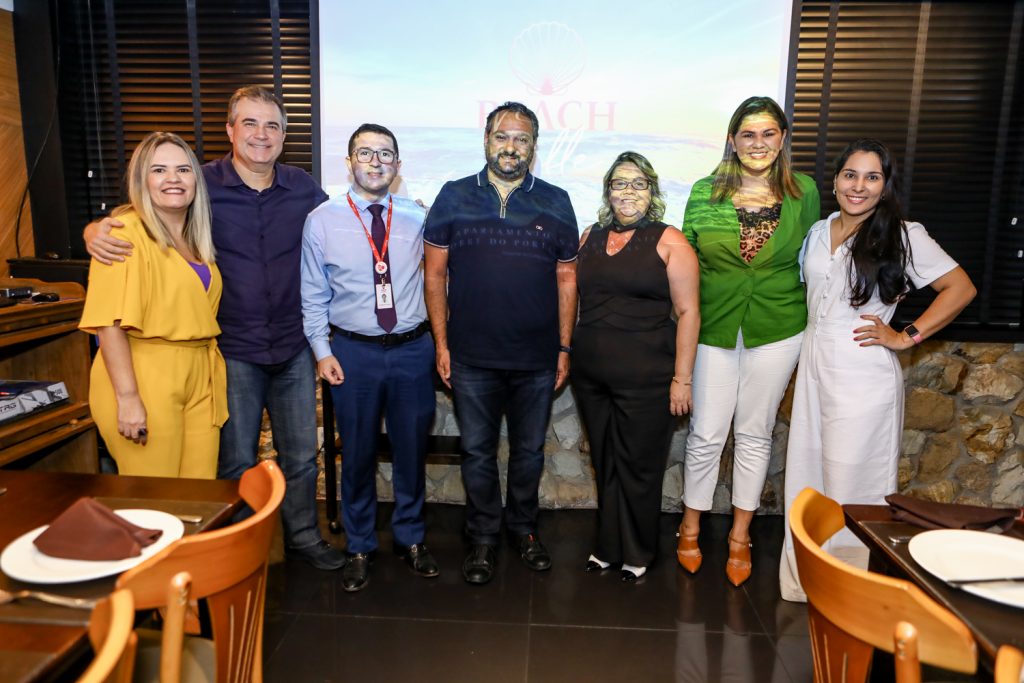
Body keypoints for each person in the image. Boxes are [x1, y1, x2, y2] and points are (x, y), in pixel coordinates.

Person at [84, 86, 344, 571]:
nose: (261, 135)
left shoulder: (304, 188)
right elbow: (140, 211)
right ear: (230, 130)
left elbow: (342, 230)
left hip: (291, 347)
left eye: (272, 125)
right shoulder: (199, 184)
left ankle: (303, 538)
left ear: (285, 135)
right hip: (232, 352)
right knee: (233, 463)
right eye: (249, 123)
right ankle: (237, 551)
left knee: (302, 459)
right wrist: (95, 229)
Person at [779, 139, 975, 602]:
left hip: (862, 372)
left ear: (885, 187)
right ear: (835, 180)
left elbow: (960, 288)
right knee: (806, 478)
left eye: (872, 177)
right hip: (814, 367)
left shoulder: (904, 235)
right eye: (851, 174)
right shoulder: (818, 230)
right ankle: (805, 580)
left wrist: (906, 336)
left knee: (852, 483)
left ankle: (848, 593)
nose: (859, 186)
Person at [423, 101, 579, 585]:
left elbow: (567, 279)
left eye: (522, 138)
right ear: (486, 139)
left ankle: (524, 531)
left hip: (536, 358)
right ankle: (483, 538)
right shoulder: (452, 196)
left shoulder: (556, 200)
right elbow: (434, 275)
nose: (511, 147)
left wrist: (563, 349)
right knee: (477, 452)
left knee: (530, 452)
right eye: (502, 136)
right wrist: (442, 345)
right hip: (471, 356)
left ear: (534, 146)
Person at [679, 96, 820, 587]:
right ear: (732, 140)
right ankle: (691, 523)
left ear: (782, 138)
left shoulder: (805, 192)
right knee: (707, 432)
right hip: (714, 325)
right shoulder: (705, 192)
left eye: (767, 133)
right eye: (747, 134)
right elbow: (686, 262)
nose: (757, 143)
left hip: (778, 325)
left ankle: (741, 534)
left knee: (756, 432)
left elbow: (817, 255)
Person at [301, 123, 438, 592]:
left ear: (398, 166)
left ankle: (411, 538)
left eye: (386, 154)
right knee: (356, 453)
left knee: (411, 450)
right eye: (366, 153)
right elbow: (313, 294)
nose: (376, 162)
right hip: (352, 353)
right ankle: (359, 544)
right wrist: (322, 351)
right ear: (349, 162)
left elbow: (442, 281)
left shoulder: (420, 218)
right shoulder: (322, 220)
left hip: (412, 351)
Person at [573, 151, 700, 581]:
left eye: (639, 184)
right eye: (620, 183)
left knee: (640, 466)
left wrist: (682, 379)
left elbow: (688, 314)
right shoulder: (588, 235)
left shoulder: (670, 241)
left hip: (647, 377)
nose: (628, 192)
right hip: (591, 376)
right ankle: (607, 547)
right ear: (608, 191)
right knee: (606, 462)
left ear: (653, 192)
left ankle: (638, 552)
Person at [80, 131, 225, 478]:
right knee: (155, 503)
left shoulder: (196, 239)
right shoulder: (121, 233)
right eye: (159, 170)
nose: (173, 179)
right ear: (141, 179)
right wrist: (128, 398)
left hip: (200, 376)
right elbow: (108, 323)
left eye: (183, 170)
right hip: (143, 376)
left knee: (198, 499)